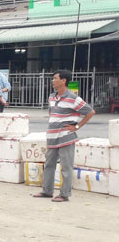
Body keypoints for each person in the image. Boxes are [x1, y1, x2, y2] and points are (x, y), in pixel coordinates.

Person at [33, 70, 95, 202]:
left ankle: (64, 194)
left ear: (63, 81)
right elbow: (52, 114)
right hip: (52, 137)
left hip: (66, 137)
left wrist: (77, 126)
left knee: (66, 166)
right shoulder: (51, 97)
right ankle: (47, 191)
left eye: (55, 78)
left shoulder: (73, 98)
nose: (52, 81)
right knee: (49, 164)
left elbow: (90, 112)